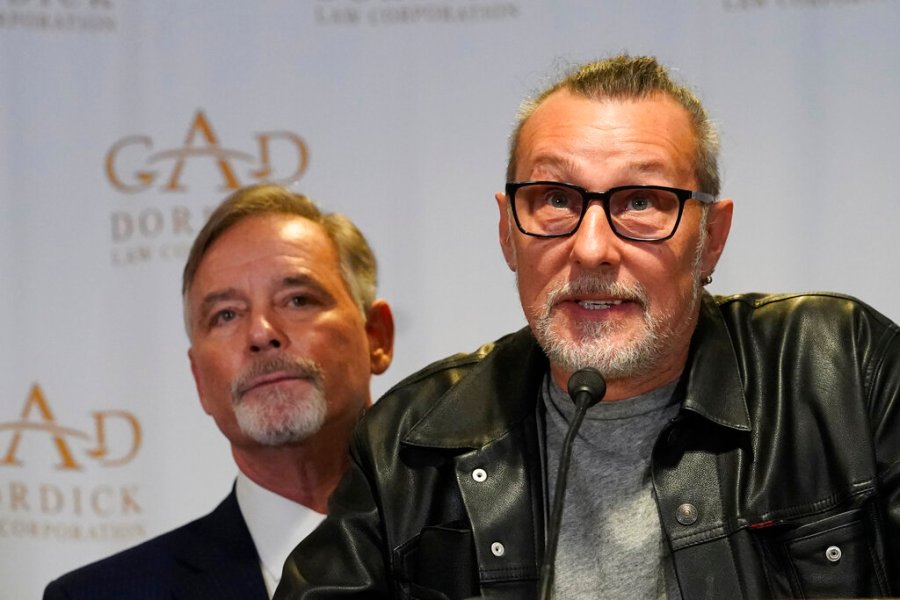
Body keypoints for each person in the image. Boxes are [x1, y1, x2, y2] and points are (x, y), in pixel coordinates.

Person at [274, 54, 900, 599]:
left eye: (640, 202)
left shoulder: (841, 367)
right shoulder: (409, 446)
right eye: (555, 199)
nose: (592, 249)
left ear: (711, 238)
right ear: (507, 232)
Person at [43, 184, 395, 600]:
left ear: (377, 336)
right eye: (225, 315)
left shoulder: (464, 549)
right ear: (199, 379)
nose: (261, 333)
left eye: (297, 300)